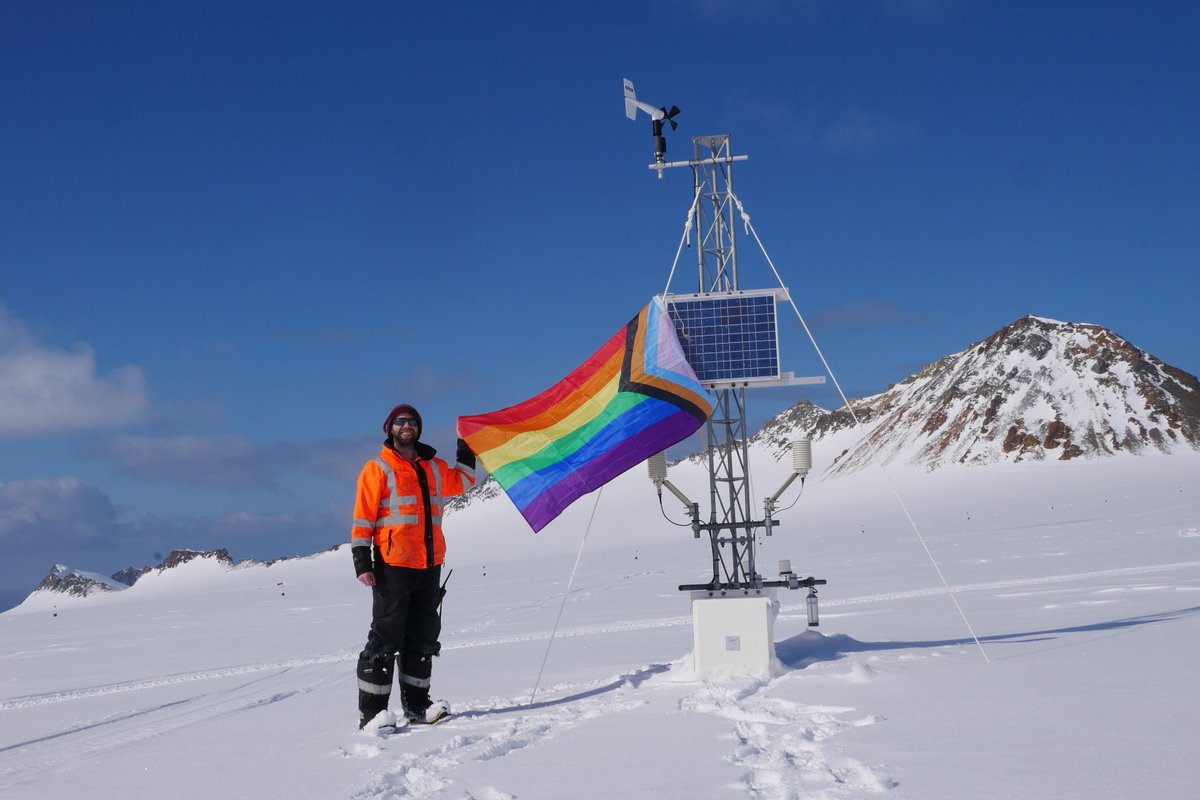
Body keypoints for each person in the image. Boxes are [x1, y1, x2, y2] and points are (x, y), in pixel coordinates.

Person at [351, 403, 476, 729]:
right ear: (389, 428)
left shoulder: (434, 466)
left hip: (429, 565)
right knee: (386, 637)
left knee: (422, 637)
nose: (407, 426)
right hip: (392, 565)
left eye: (412, 422)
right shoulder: (377, 467)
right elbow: (363, 517)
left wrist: (466, 447)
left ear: (418, 428)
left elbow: (463, 483)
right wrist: (362, 561)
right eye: (400, 421)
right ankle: (373, 714)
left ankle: (418, 708)